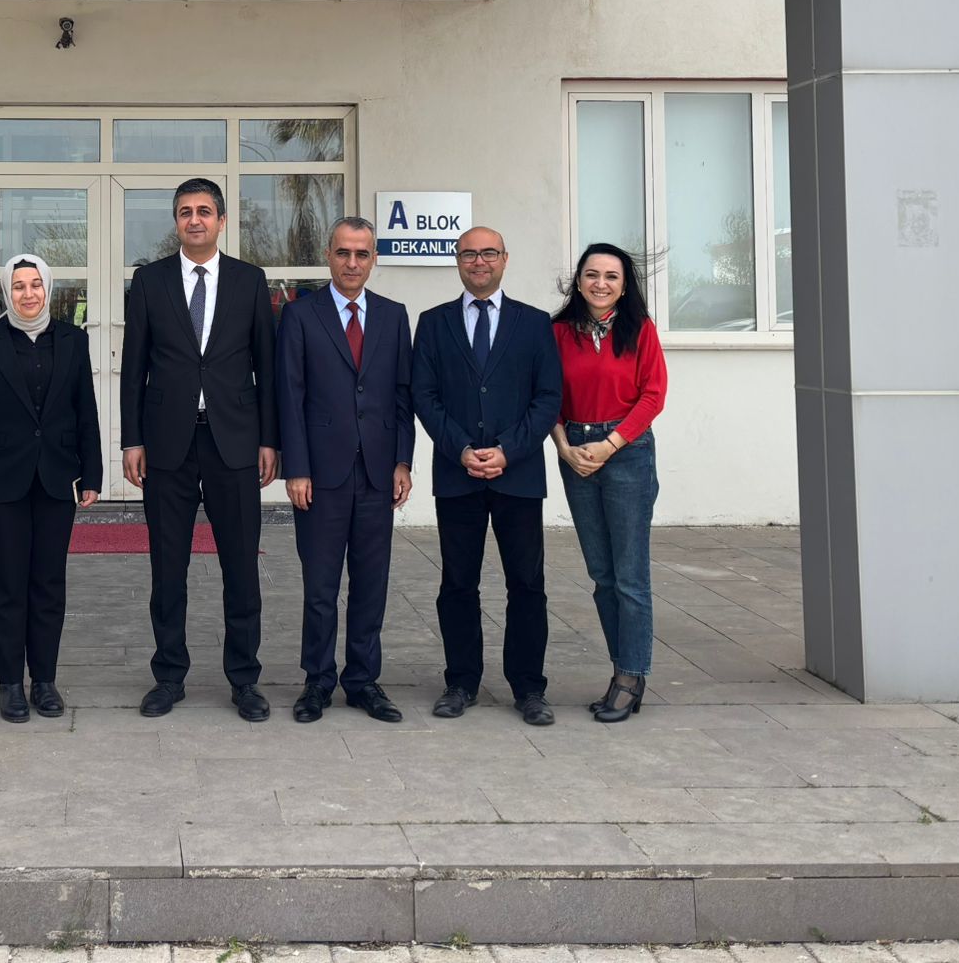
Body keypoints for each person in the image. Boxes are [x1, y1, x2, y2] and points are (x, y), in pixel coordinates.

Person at [120, 177, 279, 722]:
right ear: (176, 222)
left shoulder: (250, 280)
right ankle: (169, 675)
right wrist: (132, 438)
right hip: (168, 443)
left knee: (241, 567)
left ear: (221, 221)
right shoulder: (149, 281)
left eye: (204, 211)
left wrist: (269, 439)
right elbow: (134, 366)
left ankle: (244, 679)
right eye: (185, 211)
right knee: (168, 568)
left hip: (235, 440)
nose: (195, 220)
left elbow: (267, 366)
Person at [411, 226, 563, 726]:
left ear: (505, 259)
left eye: (489, 253)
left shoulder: (534, 323)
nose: (479, 261)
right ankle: (461, 682)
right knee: (458, 582)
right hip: (458, 475)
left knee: (527, 584)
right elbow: (424, 395)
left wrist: (507, 451)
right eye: (469, 254)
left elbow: (548, 398)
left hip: (517, 475)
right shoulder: (433, 323)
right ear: (457, 261)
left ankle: (529, 687)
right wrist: (460, 449)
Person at [276, 216, 415, 724]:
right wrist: (296, 468)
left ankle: (362, 681)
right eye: (343, 253)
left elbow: (403, 395)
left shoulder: (394, 315)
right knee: (320, 587)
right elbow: (289, 397)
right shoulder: (300, 316)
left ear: (373, 258)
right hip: (321, 474)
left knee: (371, 583)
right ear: (328, 256)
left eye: (362, 254)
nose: (352, 263)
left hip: (378, 472)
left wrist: (403, 460)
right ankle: (317, 681)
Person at [0, 254, 103, 723]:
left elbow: (85, 411)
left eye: (35, 284)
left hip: (56, 479)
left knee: (48, 584)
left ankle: (44, 680)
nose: (28, 293)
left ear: (49, 289)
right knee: (5, 584)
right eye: (18, 286)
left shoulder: (73, 341)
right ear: (7, 291)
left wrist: (92, 474)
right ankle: (9, 683)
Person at [551, 242, 668, 724]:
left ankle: (630, 676)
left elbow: (653, 395)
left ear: (624, 286)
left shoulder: (640, 330)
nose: (601, 283)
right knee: (602, 576)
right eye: (592, 275)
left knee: (630, 577)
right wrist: (564, 447)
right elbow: (546, 394)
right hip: (575, 452)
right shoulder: (557, 332)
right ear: (578, 282)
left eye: (611, 276)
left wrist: (611, 445)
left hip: (626, 453)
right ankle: (624, 670)